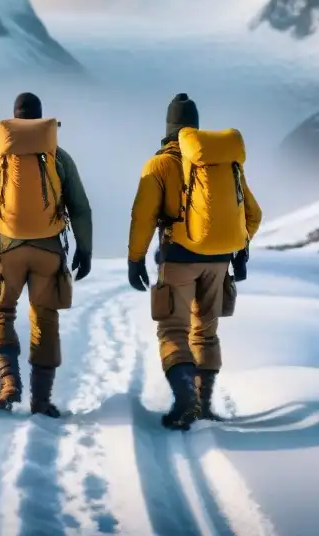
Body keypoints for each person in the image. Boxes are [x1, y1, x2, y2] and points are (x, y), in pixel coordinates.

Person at [127, 93, 262, 429]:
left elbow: (142, 217)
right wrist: (237, 248)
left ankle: (185, 400)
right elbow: (253, 214)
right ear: (195, 127)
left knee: (173, 329)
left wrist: (135, 258)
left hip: (179, 259)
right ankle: (203, 405)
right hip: (220, 262)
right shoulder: (226, 163)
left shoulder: (159, 164)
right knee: (206, 333)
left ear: (168, 126)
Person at [0, 92, 93, 417]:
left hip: (8, 251)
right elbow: (79, 207)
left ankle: (8, 383)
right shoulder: (57, 156)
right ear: (41, 119)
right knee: (45, 320)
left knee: (0, 312)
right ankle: (41, 400)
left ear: (13, 119)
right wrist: (85, 249)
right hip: (49, 251)